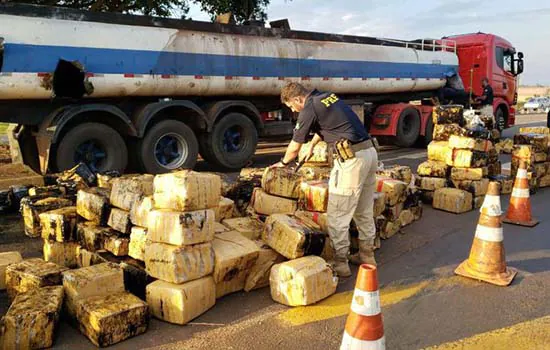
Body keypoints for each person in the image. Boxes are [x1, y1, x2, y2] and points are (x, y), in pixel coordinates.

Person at [272, 82, 378, 277]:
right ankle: (367, 255)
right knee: (363, 210)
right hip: (369, 153)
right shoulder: (327, 97)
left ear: (297, 99)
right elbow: (331, 124)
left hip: (351, 161)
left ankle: (340, 263)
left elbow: (295, 146)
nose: (293, 110)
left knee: (338, 215)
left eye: (291, 106)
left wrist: (283, 163)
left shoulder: (308, 107)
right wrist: (312, 145)